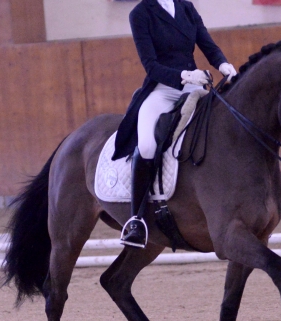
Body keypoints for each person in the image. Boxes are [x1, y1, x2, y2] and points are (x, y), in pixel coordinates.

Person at [111, 0, 237, 248]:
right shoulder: (140, 14)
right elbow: (150, 65)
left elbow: (207, 44)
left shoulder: (186, 7)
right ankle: (136, 220)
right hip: (162, 89)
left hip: (194, 86)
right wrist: (184, 75)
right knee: (147, 146)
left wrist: (223, 65)